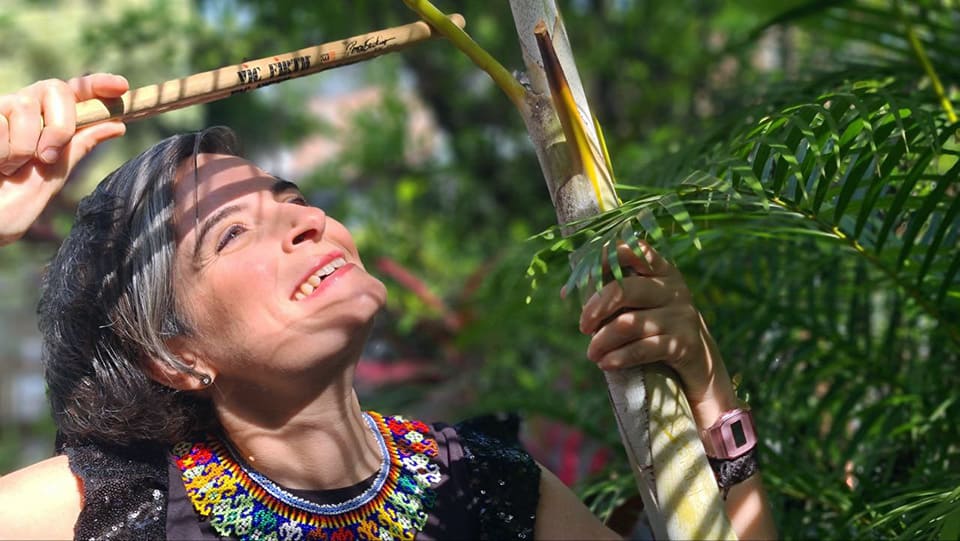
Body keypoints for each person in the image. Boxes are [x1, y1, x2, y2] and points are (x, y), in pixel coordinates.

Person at [0, 75, 777, 540]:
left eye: (291, 198)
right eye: (232, 232)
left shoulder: (489, 485)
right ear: (175, 355)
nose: (306, 222)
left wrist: (709, 389)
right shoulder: (118, 504)